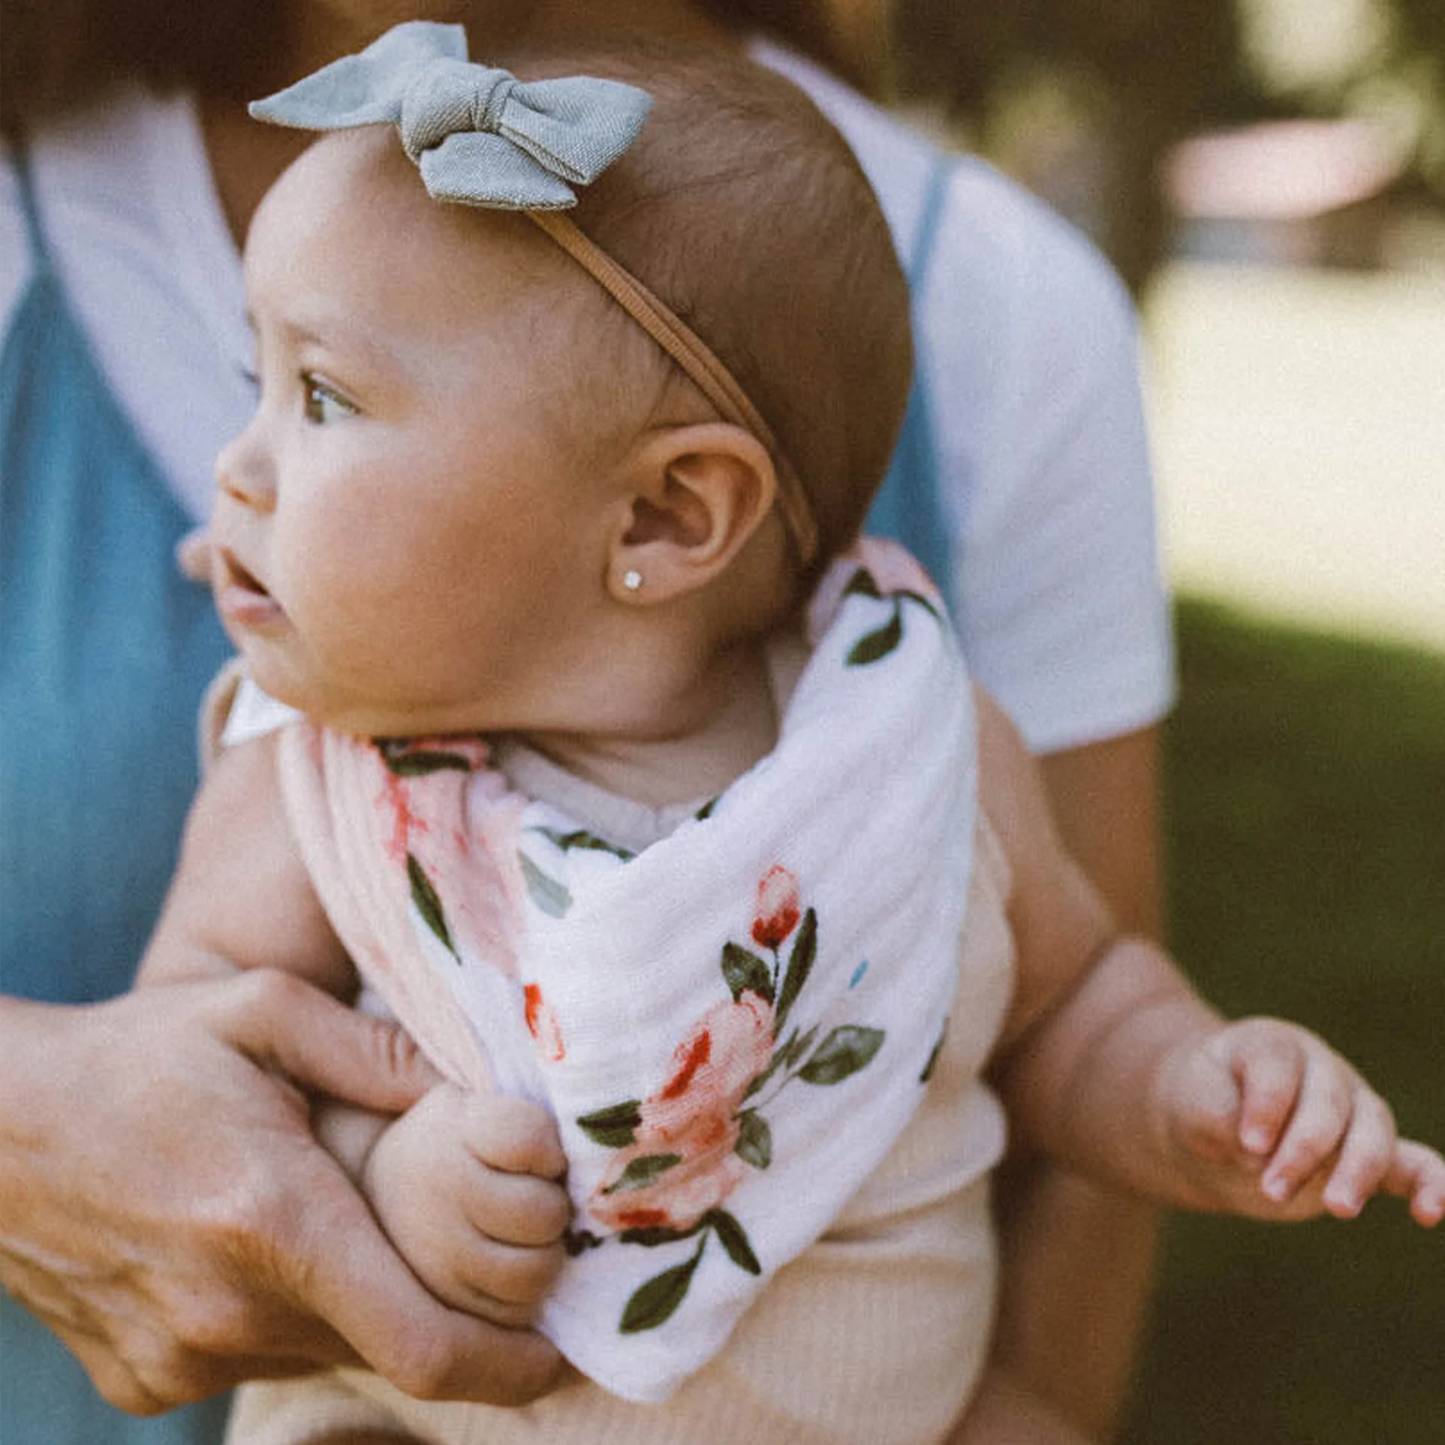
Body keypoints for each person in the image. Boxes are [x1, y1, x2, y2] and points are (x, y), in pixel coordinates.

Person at [133, 27, 1445, 1445]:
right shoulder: (318, 791)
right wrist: (379, 1168)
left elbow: (1072, 1006)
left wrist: (1191, 1086)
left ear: (665, 517)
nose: (238, 461)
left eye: (321, 395)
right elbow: (190, 1098)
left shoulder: (909, 753)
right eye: (253, 376)